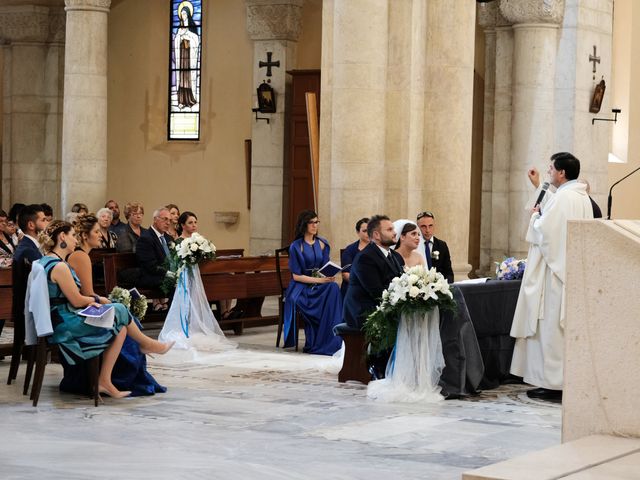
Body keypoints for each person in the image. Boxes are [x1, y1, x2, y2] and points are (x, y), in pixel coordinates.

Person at [39, 220, 173, 399]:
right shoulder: (59, 266)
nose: (75, 240)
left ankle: (104, 380)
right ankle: (147, 344)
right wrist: (97, 299)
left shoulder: (47, 260)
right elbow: (77, 300)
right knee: (117, 308)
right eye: (72, 236)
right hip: (65, 323)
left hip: (63, 316)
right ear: (62, 237)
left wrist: (93, 302)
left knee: (121, 327)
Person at [510, 152, 594, 402]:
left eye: (550, 169)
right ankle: (557, 381)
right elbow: (553, 213)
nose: (548, 173)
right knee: (556, 332)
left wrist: (535, 217)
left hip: (554, 276)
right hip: (568, 271)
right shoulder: (580, 197)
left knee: (550, 331)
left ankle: (553, 384)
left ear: (561, 173)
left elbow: (545, 230)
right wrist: (538, 191)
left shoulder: (566, 198)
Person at [158, 211, 236, 355]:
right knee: (186, 303)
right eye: (190, 223)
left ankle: (196, 327)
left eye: (195, 222)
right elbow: (175, 263)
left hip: (197, 277)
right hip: (185, 278)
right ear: (182, 225)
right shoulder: (178, 242)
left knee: (197, 302)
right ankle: (185, 329)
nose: (194, 225)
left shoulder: (199, 240)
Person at [343, 215, 404, 378]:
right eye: (389, 229)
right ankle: (380, 369)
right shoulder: (366, 257)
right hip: (362, 310)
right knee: (395, 320)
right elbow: (377, 292)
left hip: (380, 305)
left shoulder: (394, 256)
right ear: (376, 235)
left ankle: (402, 368)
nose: (394, 233)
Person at [282, 210, 343, 355]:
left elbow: (324, 267)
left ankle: (333, 339)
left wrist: (329, 275)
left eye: (317, 222)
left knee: (333, 288)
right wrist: (320, 280)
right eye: (312, 222)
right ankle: (320, 341)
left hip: (318, 284)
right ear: (305, 224)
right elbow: (296, 276)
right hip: (301, 288)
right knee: (330, 290)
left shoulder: (322, 244)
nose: (315, 225)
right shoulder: (296, 246)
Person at [527, 168, 603, 219]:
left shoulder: (592, 206)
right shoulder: (572, 198)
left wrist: (535, 216)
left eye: (551, 168)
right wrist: (537, 184)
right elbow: (552, 199)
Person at [416, 211, 454, 283]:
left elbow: (448, 272)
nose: (427, 230)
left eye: (430, 226)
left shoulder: (442, 245)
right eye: (423, 226)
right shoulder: (414, 246)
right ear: (417, 228)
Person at [174, 3, 199, 108]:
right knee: (182, 77)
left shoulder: (192, 26)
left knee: (188, 78)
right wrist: (179, 35)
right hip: (182, 55)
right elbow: (176, 40)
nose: (183, 16)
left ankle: (189, 100)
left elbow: (196, 40)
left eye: (184, 14)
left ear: (188, 14)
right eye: (182, 14)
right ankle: (181, 100)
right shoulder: (179, 28)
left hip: (189, 56)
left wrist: (188, 35)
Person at [340, 217, 369, 298]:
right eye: (365, 231)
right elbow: (346, 274)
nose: (368, 233)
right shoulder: (349, 250)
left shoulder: (378, 249)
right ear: (357, 232)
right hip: (354, 286)